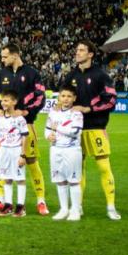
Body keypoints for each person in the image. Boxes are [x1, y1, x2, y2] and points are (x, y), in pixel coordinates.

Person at [62, 40, 121, 221]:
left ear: (90, 54)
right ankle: (77, 206)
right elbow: (63, 98)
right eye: (77, 50)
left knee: (104, 166)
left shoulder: (101, 75)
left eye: (81, 50)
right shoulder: (70, 76)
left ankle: (111, 207)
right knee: (77, 169)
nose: (77, 53)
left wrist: (89, 109)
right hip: (75, 130)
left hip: (95, 127)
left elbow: (111, 100)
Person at [0, 43, 48, 215]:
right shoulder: (2, 74)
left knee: (31, 162)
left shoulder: (32, 73)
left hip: (25, 126)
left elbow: (40, 97)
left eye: (5, 56)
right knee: (3, 164)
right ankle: (2, 201)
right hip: (5, 128)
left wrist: (26, 111)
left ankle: (41, 201)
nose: (2, 59)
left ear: (15, 55)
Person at [44, 85, 84, 221]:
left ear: (74, 98)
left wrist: (58, 128)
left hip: (71, 150)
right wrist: (48, 136)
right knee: (60, 180)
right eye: (63, 96)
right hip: (55, 149)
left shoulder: (76, 114)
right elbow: (47, 129)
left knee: (73, 181)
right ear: (59, 97)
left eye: (69, 96)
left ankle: (75, 210)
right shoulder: (53, 112)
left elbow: (76, 132)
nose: (65, 99)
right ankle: (64, 209)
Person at [0, 89, 29, 217]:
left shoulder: (20, 119)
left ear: (14, 102)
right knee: (6, 178)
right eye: (2, 100)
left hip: (16, 150)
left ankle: (21, 206)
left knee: (20, 179)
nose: (3, 103)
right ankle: (8, 205)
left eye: (6, 100)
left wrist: (23, 154)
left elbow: (25, 136)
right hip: (4, 150)